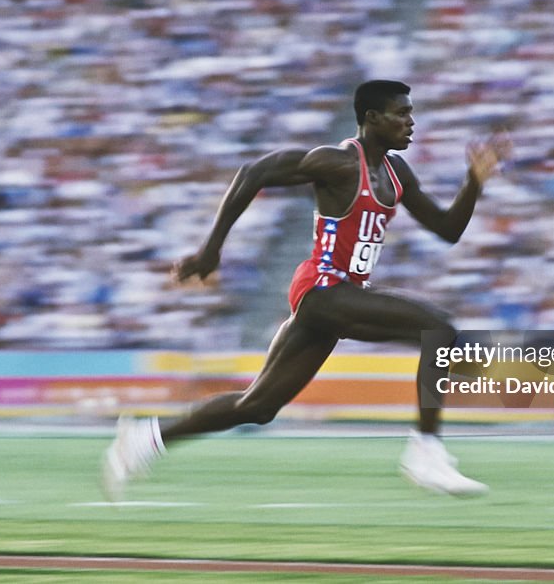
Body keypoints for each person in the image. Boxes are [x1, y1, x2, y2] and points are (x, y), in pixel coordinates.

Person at [101, 80, 511, 500]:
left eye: (411, 113)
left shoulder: (397, 173)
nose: (411, 122)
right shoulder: (337, 163)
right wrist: (211, 250)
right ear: (372, 119)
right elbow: (253, 172)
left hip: (338, 298)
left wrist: (474, 182)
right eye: (401, 113)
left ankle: (143, 439)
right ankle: (426, 451)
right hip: (323, 289)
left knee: (257, 407)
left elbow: (447, 230)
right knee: (439, 329)